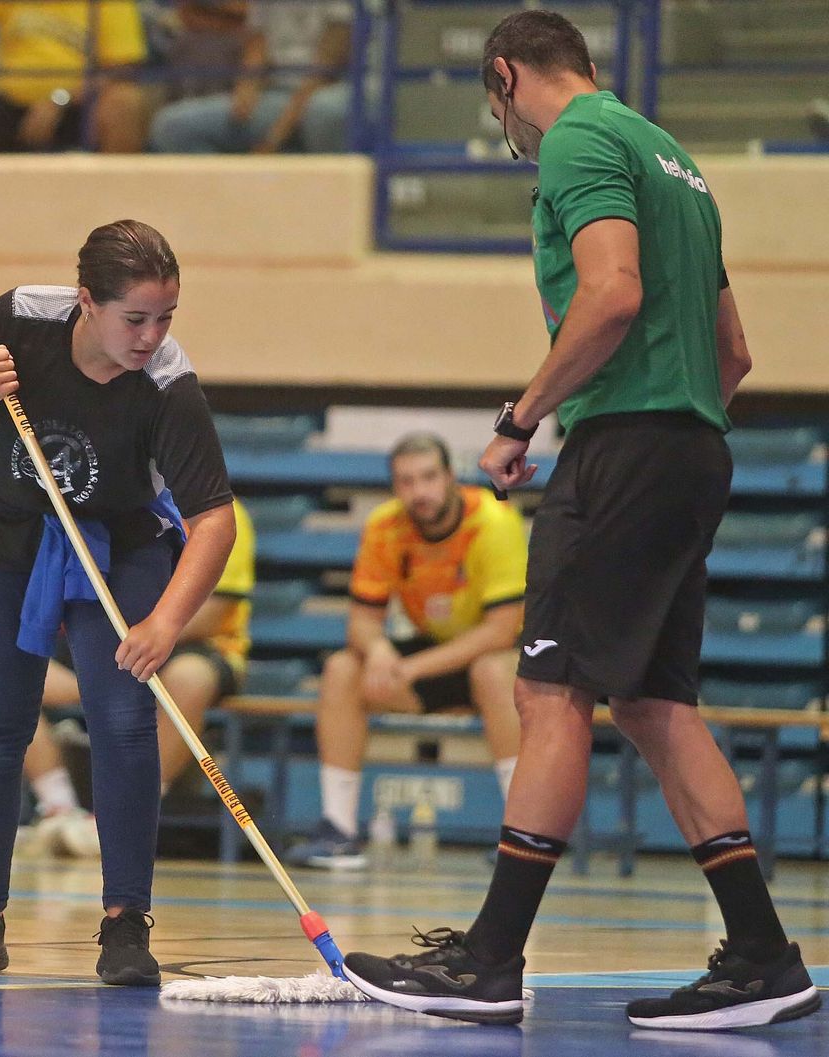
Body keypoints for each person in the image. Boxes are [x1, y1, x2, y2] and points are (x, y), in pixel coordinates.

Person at [343, 12, 820, 1032]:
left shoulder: (575, 141)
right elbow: (731, 352)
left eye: (495, 107)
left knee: (549, 687)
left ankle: (488, 959)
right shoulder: (672, 156)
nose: (509, 130)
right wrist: (669, 439)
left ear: (506, 76)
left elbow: (608, 296)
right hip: (693, 443)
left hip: (628, 442)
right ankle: (762, 956)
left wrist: (521, 417)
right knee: (653, 703)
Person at [0, 219, 237, 987]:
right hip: (5, 533)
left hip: (118, 545)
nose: (151, 334)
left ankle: (127, 922)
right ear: (86, 302)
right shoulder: (17, 318)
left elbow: (214, 520)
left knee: (125, 723)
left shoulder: (167, 382)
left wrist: (165, 622)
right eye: (136, 318)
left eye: (166, 317)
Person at [283, 433, 524, 869]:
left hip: (501, 661)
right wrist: (376, 650)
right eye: (407, 481)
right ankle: (338, 830)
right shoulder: (385, 526)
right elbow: (361, 621)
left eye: (429, 477)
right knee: (342, 668)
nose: (420, 492)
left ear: (451, 477)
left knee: (493, 670)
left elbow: (501, 632)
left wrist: (410, 667)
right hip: (432, 655)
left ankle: (520, 834)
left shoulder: (494, 521)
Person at [22, 495, 257, 857]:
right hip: (110, 637)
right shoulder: (109, 498)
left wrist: (151, 632)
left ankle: (127, 815)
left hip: (194, 641)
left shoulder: (222, 511)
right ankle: (59, 809)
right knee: (16, 671)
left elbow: (215, 611)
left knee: (190, 679)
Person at [0, 0, 147, 154]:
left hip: (78, 109)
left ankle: (115, 207)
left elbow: (120, 69)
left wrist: (58, 100)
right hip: (9, 103)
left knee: (125, 101)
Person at [149, 1, 351, 154]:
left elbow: (324, 70)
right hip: (274, 96)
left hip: (325, 94)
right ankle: (229, 200)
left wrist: (274, 139)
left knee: (323, 113)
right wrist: (247, 85)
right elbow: (258, 41)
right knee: (171, 127)